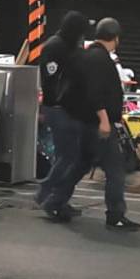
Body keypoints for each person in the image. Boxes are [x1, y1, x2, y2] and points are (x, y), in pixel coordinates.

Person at [44, 18, 140, 231]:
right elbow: (96, 93)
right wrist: (105, 121)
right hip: (98, 125)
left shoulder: (87, 55)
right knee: (115, 170)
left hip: (86, 123)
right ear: (115, 38)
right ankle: (115, 214)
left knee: (81, 164)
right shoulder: (100, 60)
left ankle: (54, 202)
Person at [33, 11, 90, 213]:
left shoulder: (67, 45)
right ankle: (46, 190)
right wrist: (59, 102)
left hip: (65, 109)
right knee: (69, 156)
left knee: (65, 156)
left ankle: (57, 199)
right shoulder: (55, 47)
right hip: (59, 110)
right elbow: (51, 80)